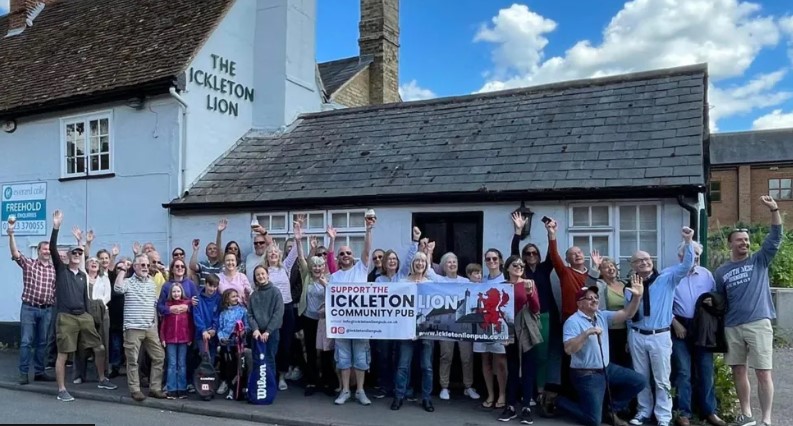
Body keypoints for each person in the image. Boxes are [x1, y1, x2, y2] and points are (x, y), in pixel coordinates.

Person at [715, 196, 783, 426]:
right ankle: (746, 415)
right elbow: (720, 301)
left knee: (763, 372)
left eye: (746, 239)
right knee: (738, 370)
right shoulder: (721, 271)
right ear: (730, 244)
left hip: (758, 323)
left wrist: (774, 209)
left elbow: (775, 238)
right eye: (739, 240)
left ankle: (766, 419)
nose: (744, 243)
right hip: (732, 326)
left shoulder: (759, 261)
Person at [626, 227, 696, 426]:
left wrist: (688, 241)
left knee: (662, 379)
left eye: (647, 258)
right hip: (637, 335)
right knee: (641, 377)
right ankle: (643, 411)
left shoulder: (667, 278)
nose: (645, 262)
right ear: (633, 265)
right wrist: (628, 338)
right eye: (639, 260)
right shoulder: (630, 285)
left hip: (660, 335)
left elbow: (686, 265)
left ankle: (663, 416)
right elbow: (629, 314)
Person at [556, 278, 647, 426]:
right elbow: (568, 349)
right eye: (589, 298)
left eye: (596, 297)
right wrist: (586, 334)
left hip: (606, 368)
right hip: (586, 374)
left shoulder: (602, 315)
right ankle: (559, 401)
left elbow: (627, 314)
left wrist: (637, 297)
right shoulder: (572, 322)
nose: (594, 300)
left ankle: (611, 409)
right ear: (580, 303)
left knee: (639, 381)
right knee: (594, 421)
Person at [48, 210, 116, 402]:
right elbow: (52, 248)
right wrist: (56, 226)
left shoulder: (83, 275)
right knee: (63, 354)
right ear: (68, 256)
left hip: (83, 316)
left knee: (100, 347)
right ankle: (62, 390)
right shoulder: (62, 270)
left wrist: (89, 315)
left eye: (79, 253)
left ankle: (102, 378)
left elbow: (86, 295)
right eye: (74, 253)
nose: (77, 255)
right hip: (66, 317)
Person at [669, 242, 726, 426]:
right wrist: (675, 322)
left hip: (702, 327)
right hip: (679, 325)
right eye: (689, 254)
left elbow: (716, 295)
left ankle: (709, 411)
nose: (694, 258)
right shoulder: (671, 275)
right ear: (681, 256)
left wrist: (712, 300)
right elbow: (662, 303)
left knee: (705, 370)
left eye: (697, 255)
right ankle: (683, 413)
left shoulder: (706, 274)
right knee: (683, 371)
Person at [511, 212, 560, 415]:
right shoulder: (522, 271)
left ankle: (540, 392)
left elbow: (553, 254)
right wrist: (518, 231)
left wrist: (551, 233)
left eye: (534, 253)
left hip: (546, 314)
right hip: (526, 318)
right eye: (528, 253)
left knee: (543, 356)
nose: (531, 256)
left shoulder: (544, 268)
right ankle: (527, 392)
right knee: (529, 355)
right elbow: (513, 252)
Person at [331, 213, 374, 406]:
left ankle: (360, 391)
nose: (346, 255)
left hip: (361, 322)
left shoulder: (361, 269)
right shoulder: (335, 277)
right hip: (341, 324)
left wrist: (368, 229)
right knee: (344, 359)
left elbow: (367, 251)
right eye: (342, 253)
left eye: (348, 253)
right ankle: (346, 390)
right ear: (338, 258)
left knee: (361, 358)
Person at [7, 218, 56, 385]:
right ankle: (23, 373)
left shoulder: (54, 270)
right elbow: (15, 254)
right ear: (39, 250)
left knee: (42, 342)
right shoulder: (30, 264)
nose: (47, 252)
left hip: (47, 309)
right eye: (44, 249)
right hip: (29, 308)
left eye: (49, 249)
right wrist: (11, 234)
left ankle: (40, 372)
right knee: (26, 341)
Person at [114, 253, 166, 402]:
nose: (145, 268)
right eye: (142, 265)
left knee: (159, 357)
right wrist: (124, 270)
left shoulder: (151, 282)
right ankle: (135, 390)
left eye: (147, 265)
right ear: (135, 267)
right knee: (133, 360)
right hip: (132, 327)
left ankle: (155, 388)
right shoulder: (128, 282)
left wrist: (154, 325)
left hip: (150, 327)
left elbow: (154, 305)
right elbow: (118, 288)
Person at [498, 255, 540, 423]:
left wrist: (530, 293)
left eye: (521, 265)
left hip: (526, 329)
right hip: (509, 329)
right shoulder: (502, 286)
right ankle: (510, 406)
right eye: (515, 265)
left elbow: (536, 308)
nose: (519, 267)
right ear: (507, 268)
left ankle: (526, 406)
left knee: (529, 367)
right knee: (513, 367)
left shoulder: (529, 283)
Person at [391, 252, 435, 413]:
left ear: (426, 264)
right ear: (412, 264)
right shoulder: (402, 282)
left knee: (427, 367)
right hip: (406, 330)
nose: (420, 263)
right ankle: (399, 396)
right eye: (417, 260)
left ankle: (427, 398)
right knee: (403, 365)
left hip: (426, 331)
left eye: (423, 261)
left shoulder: (431, 283)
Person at [586, 252, 631, 368]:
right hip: (609, 330)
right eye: (606, 267)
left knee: (626, 362)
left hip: (626, 330)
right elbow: (589, 286)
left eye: (612, 266)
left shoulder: (625, 284)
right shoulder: (600, 285)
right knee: (611, 362)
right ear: (601, 272)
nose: (611, 269)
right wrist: (595, 266)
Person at [73, 257, 111, 384]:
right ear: (87, 265)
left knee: (103, 343)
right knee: (82, 344)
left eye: (96, 261)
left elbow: (108, 296)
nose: (94, 263)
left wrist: (97, 305)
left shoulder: (104, 278)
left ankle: (103, 374)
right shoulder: (83, 277)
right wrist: (82, 243)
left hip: (102, 312)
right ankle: (79, 375)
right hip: (85, 313)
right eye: (91, 261)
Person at [248, 265, 285, 390]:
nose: (261, 276)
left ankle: (269, 387)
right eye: (258, 275)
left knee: (269, 359)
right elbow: (250, 314)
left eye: (263, 273)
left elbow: (278, 313)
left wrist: (268, 331)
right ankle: (258, 387)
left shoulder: (275, 292)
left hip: (271, 333)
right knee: (257, 359)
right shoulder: (254, 295)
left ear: (267, 275)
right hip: (257, 334)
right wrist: (255, 329)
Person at [160, 283, 193, 399]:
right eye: (174, 291)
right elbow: (163, 324)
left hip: (183, 339)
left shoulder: (186, 305)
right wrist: (162, 338)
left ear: (182, 292)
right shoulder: (167, 305)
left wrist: (190, 337)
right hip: (170, 339)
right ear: (170, 293)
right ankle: (171, 388)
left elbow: (190, 324)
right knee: (172, 364)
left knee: (182, 364)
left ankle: (182, 388)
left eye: (178, 291)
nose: (176, 294)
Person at [216, 288, 250, 399]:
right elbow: (220, 329)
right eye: (233, 296)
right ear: (227, 299)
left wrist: (243, 332)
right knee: (228, 367)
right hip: (227, 345)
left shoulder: (243, 311)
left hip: (239, 345)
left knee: (239, 367)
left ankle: (238, 389)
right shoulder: (223, 313)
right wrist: (221, 338)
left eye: (237, 296)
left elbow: (247, 326)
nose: (236, 298)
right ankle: (229, 386)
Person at [189, 219, 227, 287]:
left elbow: (219, 247)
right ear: (206, 253)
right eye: (210, 249)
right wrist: (195, 250)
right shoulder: (203, 264)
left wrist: (219, 233)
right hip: (203, 294)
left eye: (214, 248)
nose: (212, 250)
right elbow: (192, 266)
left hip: (216, 294)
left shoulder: (221, 264)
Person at [194, 273, 221, 366]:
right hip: (201, 334)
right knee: (206, 357)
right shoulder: (197, 298)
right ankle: (203, 379)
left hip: (213, 334)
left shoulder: (218, 298)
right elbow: (197, 316)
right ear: (205, 283)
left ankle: (210, 379)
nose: (212, 289)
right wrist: (203, 330)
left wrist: (214, 328)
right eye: (210, 285)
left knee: (212, 359)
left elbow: (217, 315)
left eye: (215, 286)